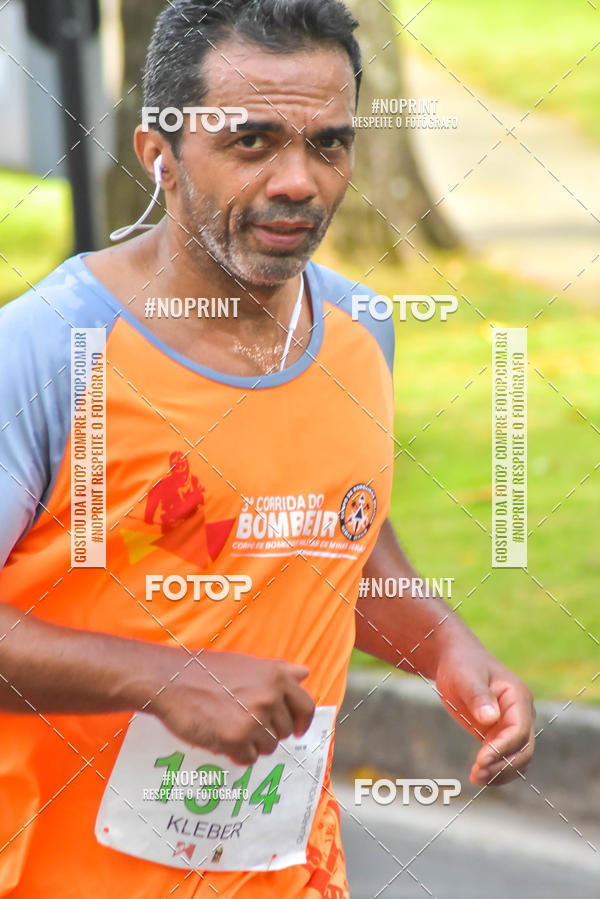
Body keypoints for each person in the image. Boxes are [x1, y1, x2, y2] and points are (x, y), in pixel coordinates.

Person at [0, 1, 535, 896]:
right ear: (158, 156)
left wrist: (445, 645)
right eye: (251, 142)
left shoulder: (362, 330)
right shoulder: (49, 350)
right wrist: (162, 680)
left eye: (329, 144)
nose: (301, 181)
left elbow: (331, 538)